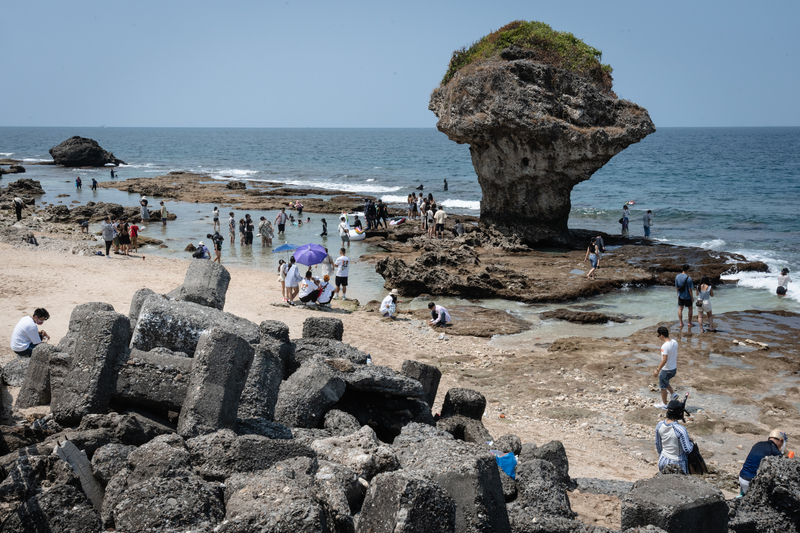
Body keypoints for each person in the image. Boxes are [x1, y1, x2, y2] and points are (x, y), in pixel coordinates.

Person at [739, 430, 787, 495]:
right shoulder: (775, 451)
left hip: (742, 477)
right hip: (750, 481)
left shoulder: (758, 444)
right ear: (780, 440)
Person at [655, 399, 694, 474]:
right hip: (677, 463)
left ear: (667, 410)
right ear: (680, 414)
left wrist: (661, 455)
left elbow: (658, 445)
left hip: (663, 459)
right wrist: (691, 442)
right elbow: (688, 450)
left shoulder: (659, 425)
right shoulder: (680, 430)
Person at [653, 326, 680, 409]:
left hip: (666, 369)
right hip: (673, 369)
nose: (659, 338)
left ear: (661, 335)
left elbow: (664, 360)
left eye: (658, 336)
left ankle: (664, 404)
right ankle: (673, 394)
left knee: (662, 386)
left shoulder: (664, 346)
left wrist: (657, 370)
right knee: (665, 381)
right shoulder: (675, 342)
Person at [675, 264, 694, 328]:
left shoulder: (677, 277)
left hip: (680, 295)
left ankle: (681, 323)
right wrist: (692, 297)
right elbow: (690, 289)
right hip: (687, 296)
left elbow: (676, 287)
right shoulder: (689, 278)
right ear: (688, 269)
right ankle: (689, 322)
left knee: (680, 308)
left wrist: (678, 294)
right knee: (690, 308)